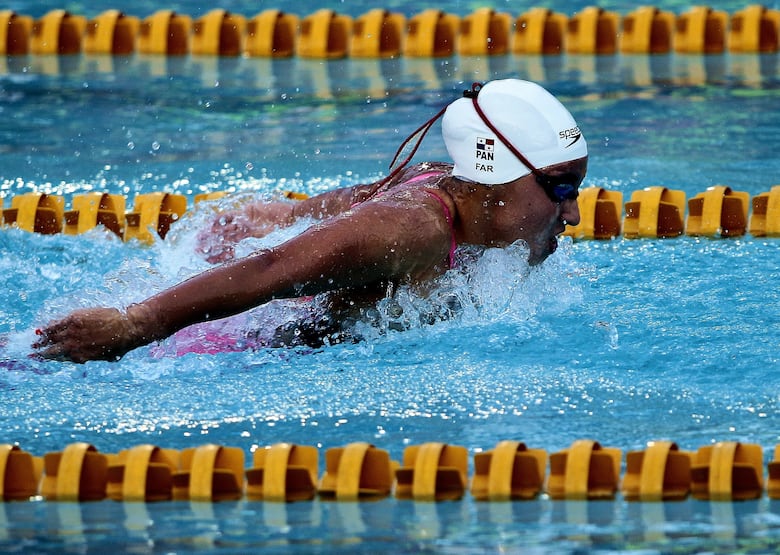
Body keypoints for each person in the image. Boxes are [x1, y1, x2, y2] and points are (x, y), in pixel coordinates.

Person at [33, 79, 588, 363]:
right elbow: (274, 268)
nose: (574, 212)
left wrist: (269, 215)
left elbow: (349, 201)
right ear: (493, 180)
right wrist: (134, 324)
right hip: (227, 347)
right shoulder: (411, 231)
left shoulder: (449, 185)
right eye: (559, 188)